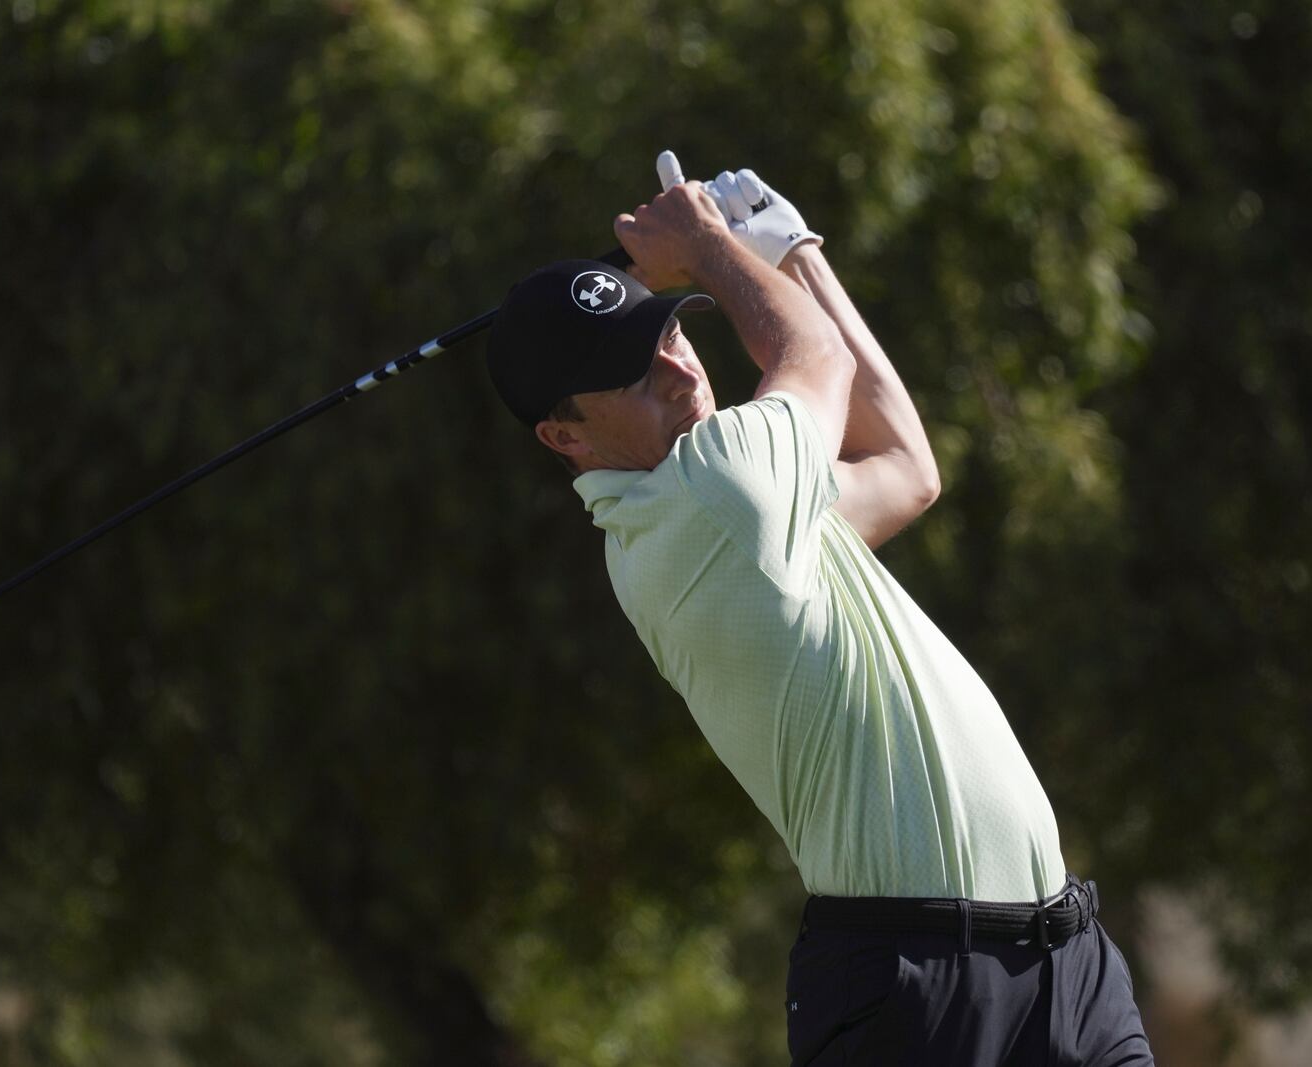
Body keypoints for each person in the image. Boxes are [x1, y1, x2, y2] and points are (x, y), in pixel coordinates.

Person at [486, 153, 1155, 1066]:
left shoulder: (745, 504)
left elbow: (906, 469)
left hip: (1063, 960)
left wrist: (791, 251)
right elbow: (818, 357)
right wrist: (718, 248)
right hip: (914, 987)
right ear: (564, 436)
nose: (681, 374)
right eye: (634, 373)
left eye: (671, 337)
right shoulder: (713, 493)